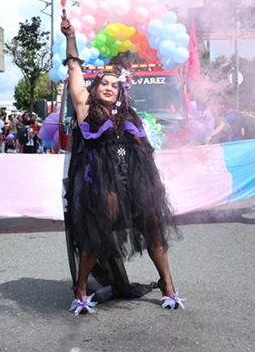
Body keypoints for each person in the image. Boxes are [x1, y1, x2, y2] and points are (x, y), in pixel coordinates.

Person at [61, 18, 182, 314]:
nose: (109, 88)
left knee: (153, 225)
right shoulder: (86, 109)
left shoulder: (130, 115)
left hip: (135, 177)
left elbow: (146, 150)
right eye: (104, 83)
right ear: (96, 87)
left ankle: (168, 286)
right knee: (101, 227)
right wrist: (71, 38)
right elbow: (74, 68)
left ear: (121, 91)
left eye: (115, 85)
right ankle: (80, 287)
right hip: (101, 182)